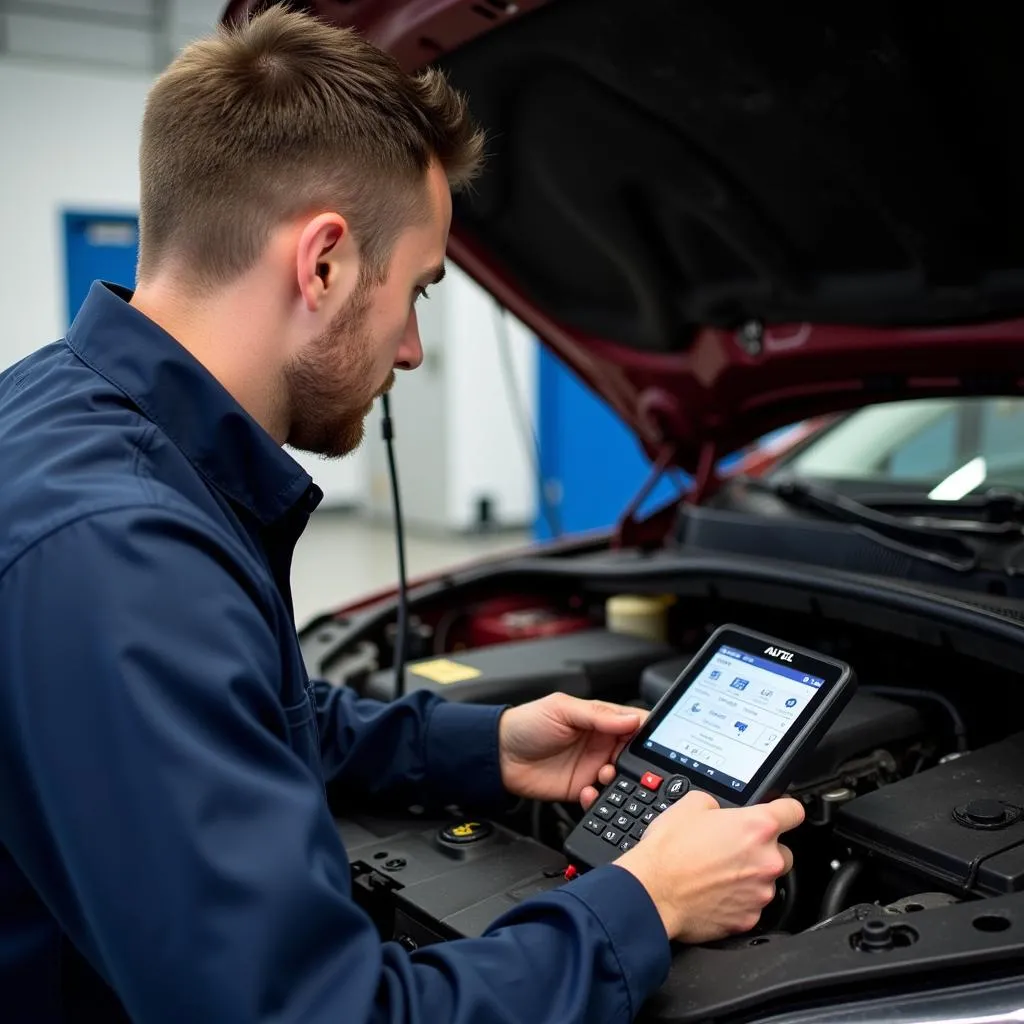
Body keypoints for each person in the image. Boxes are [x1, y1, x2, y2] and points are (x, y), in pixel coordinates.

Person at [0, 8, 804, 1023]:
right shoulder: (121, 555)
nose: (415, 349)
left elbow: (236, 716)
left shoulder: (61, 418)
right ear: (324, 261)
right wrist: (643, 902)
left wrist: (484, 746)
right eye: (418, 290)